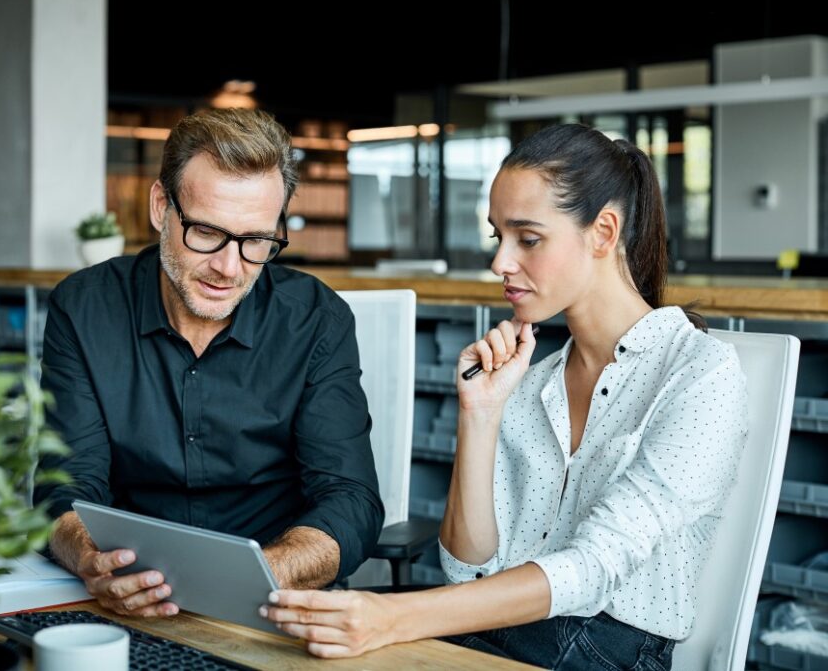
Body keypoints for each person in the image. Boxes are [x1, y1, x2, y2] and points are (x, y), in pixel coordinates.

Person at [261, 123, 748, 671]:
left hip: (609, 651)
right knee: (295, 641)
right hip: (507, 632)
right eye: (499, 237)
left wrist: (394, 617)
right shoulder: (532, 381)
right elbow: (466, 571)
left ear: (604, 232)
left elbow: (592, 570)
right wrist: (481, 415)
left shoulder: (700, 373)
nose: (500, 263)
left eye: (529, 239)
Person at [34, 108, 384, 619]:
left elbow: (350, 500)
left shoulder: (317, 321)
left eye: (256, 241)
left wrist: (259, 574)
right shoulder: (84, 309)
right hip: (126, 597)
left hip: (273, 601)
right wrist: (91, 559)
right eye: (205, 232)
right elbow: (65, 485)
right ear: (161, 207)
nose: (228, 267)